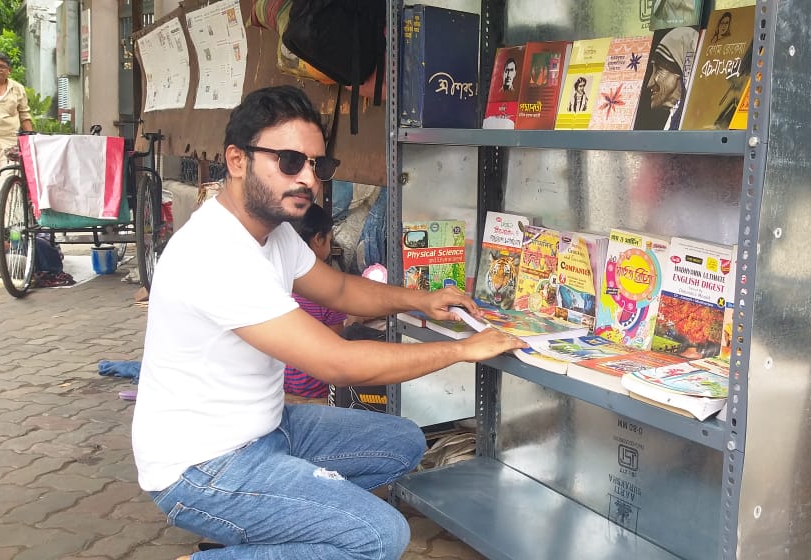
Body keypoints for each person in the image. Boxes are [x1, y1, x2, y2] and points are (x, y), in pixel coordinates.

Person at [132, 85, 525, 560]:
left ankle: (274, 526)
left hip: (266, 430)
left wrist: (421, 299)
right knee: (380, 535)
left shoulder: (270, 233)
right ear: (237, 161)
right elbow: (337, 363)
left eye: (318, 165)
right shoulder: (215, 252)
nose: (308, 180)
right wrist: (461, 350)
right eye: (290, 162)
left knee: (400, 441)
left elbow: (339, 290)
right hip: (202, 468)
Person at [283, 203, 345, 399]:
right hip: (316, 388)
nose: (329, 246)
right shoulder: (327, 290)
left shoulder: (278, 279)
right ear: (318, 239)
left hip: (280, 383)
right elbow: (335, 343)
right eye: (329, 240)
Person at [636, 26, 699, 131]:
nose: (649, 83)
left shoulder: (696, 124)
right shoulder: (673, 119)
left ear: (680, 70)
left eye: (659, 69)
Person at [0, 51, 32, 172]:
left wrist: (30, 139)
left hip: (10, 143)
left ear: (9, 70)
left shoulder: (17, 89)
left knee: (8, 180)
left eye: (2, 66)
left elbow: (24, 115)